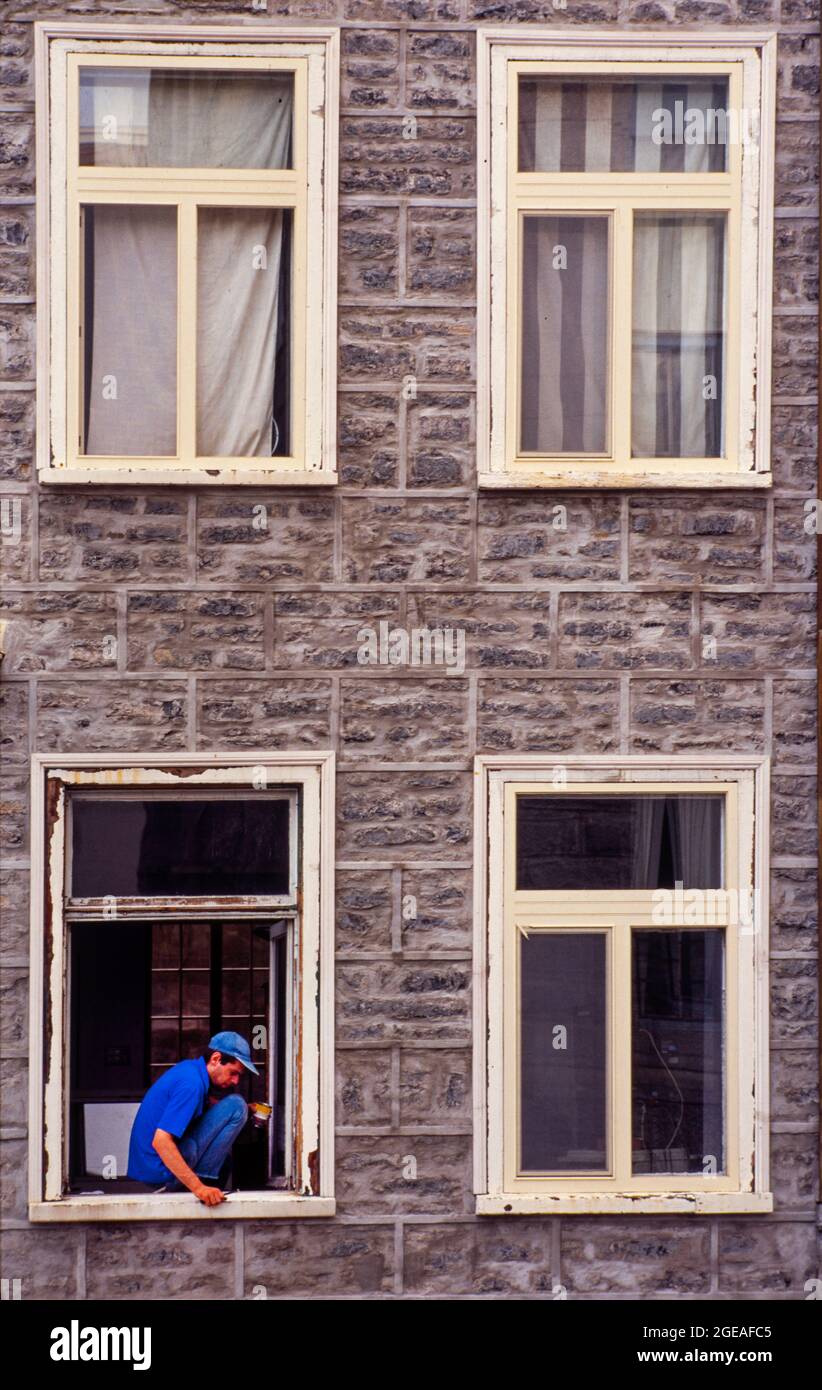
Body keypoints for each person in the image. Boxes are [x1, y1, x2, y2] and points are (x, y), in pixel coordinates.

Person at [127, 1030, 257, 1206]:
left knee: (226, 1160)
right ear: (216, 1059)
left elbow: (205, 1109)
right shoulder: (191, 1085)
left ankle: (202, 1184)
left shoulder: (190, 1071)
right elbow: (161, 1141)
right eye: (233, 1073)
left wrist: (249, 1110)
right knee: (236, 1105)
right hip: (161, 1172)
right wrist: (199, 1188)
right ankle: (198, 1186)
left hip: (153, 1168)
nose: (235, 1081)